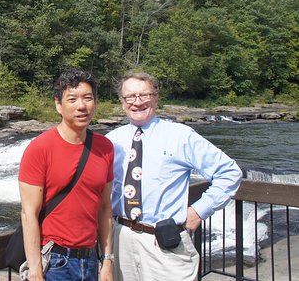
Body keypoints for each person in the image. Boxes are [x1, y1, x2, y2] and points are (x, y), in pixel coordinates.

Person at [106, 71, 242, 281]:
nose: (137, 102)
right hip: (121, 238)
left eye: (144, 95)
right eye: (130, 97)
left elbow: (229, 172)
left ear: (156, 98)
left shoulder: (180, 135)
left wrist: (198, 211)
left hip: (164, 244)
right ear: (122, 102)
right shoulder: (111, 141)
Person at [18, 68, 114, 281]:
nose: (81, 106)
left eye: (88, 98)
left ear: (95, 103)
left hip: (91, 260)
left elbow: (105, 207)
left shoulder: (105, 147)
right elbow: (29, 214)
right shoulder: (39, 148)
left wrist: (107, 261)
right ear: (58, 105)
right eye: (72, 99)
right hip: (55, 262)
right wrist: (35, 272)